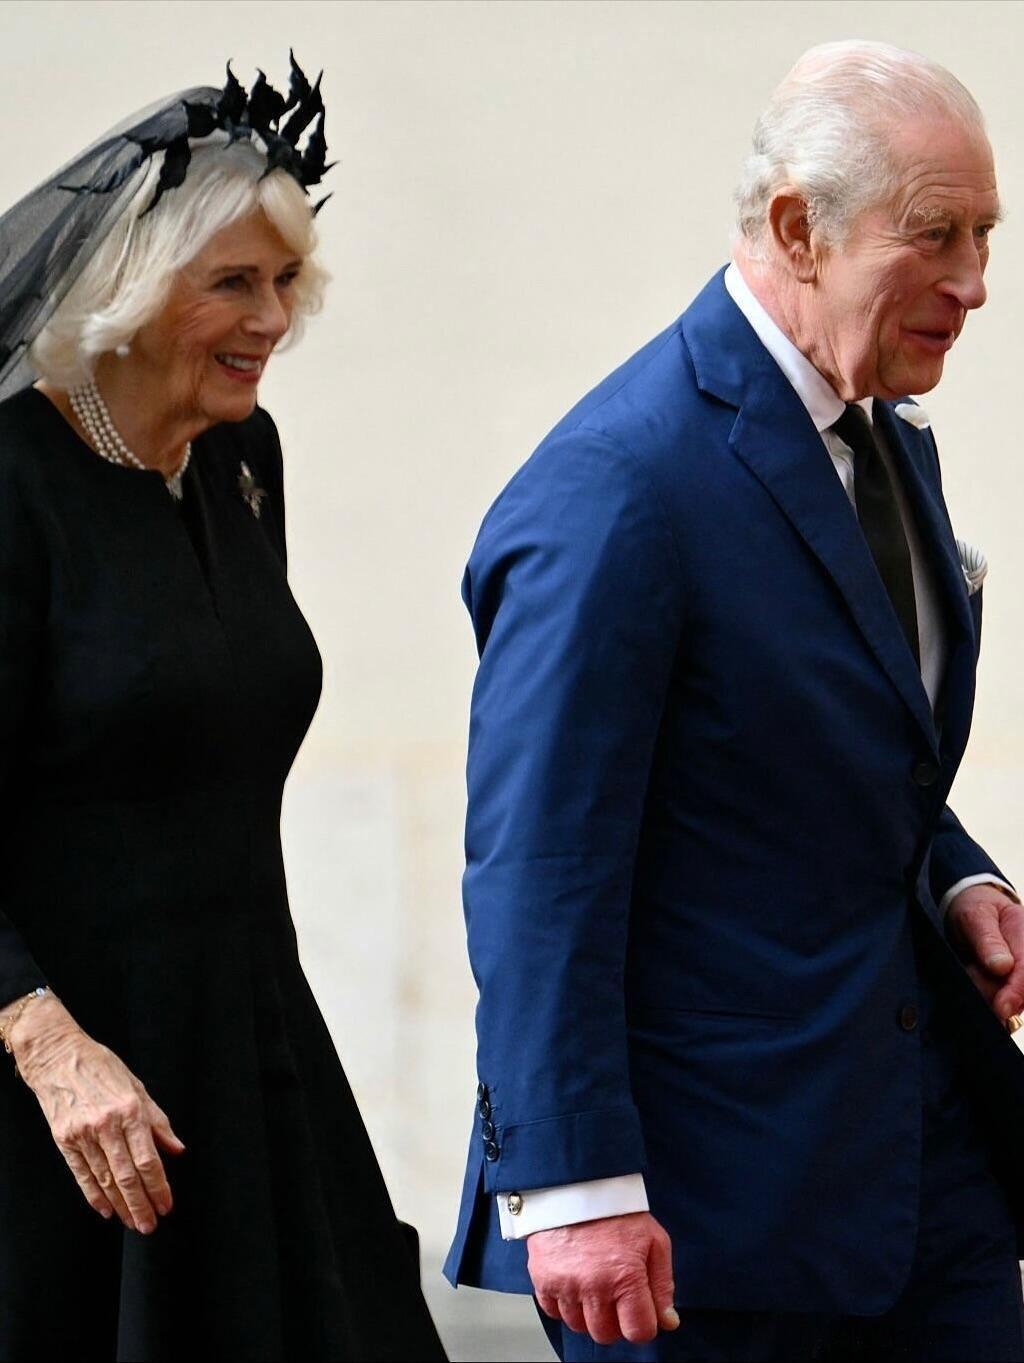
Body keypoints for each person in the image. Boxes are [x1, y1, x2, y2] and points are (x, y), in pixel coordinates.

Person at [445, 39, 1024, 1363]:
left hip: (918, 1173)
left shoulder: (876, 433)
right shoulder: (620, 485)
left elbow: (821, 738)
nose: (975, 283)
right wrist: (576, 1185)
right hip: (707, 1221)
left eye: (986, 235)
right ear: (798, 230)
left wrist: (954, 875)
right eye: (936, 234)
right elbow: (540, 862)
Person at [0, 59, 445, 1362]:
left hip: (251, 1045)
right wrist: (48, 1044)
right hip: (68, 1099)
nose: (275, 319)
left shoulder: (244, 458)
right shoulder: (15, 485)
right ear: (133, 289)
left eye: (287, 281)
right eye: (234, 283)